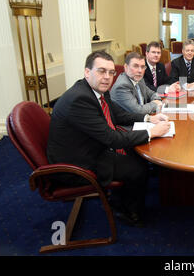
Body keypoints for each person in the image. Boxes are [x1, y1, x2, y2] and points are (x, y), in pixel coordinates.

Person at [46, 50, 171, 227]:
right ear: (87, 72)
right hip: (76, 163)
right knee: (138, 168)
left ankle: (121, 199)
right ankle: (128, 213)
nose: (107, 77)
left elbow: (119, 115)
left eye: (111, 72)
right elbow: (111, 138)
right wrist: (152, 132)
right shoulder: (79, 99)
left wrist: (148, 118)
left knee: (135, 156)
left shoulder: (96, 90)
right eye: (101, 71)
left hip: (86, 146)